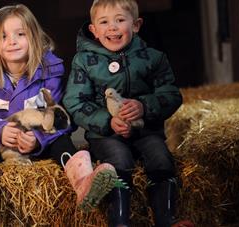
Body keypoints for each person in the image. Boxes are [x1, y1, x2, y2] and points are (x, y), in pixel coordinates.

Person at [0, 4, 119, 213]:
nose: (12, 41)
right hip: (2, 146)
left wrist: (38, 138)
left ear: (33, 37)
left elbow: (60, 116)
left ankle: (84, 182)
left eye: (20, 34)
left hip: (39, 145)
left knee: (62, 141)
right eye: (3, 36)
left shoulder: (49, 73)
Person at [63, 0, 194, 226]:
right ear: (94, 30)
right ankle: (119, 221)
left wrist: (144, 106)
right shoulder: (83, 62)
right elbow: (75, 102)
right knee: (119, 161)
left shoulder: (153, 58)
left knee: (161, 159)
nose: (112, 28)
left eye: (120, 20)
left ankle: (167, 218)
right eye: (104, 22)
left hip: (146, 130)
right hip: (106, 134)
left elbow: (171, 94)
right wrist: (107, 121)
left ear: (136, 25)